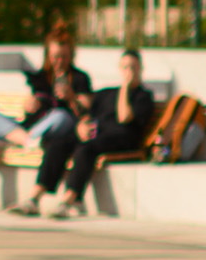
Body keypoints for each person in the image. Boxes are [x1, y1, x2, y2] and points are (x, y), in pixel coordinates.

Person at [37, 45, 163, 213]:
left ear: (140, 69)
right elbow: (87, 114)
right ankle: (35, 196)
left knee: (86, 149)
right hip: (97, 135)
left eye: (133, 67)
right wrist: (81, 126)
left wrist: (125, 87)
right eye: (125, 67)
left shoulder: (144, 96)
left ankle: (69, 201)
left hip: (122, 140)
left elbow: (124, 117)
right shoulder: (107, 93)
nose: (129, 72)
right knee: (58, 144)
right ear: (120, 69)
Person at [7, 19, 95, 202]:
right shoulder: (41, 77)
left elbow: (87, 111)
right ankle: (27, 138)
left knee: (60, 117)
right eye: (55, 57)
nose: (59, 62)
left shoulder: (79, 78)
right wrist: (29, 105)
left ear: (71, 56)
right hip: (37, 127)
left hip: (63, 129)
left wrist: (71, 97)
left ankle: (28, 139)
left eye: (64, 57)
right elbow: (31, 110)